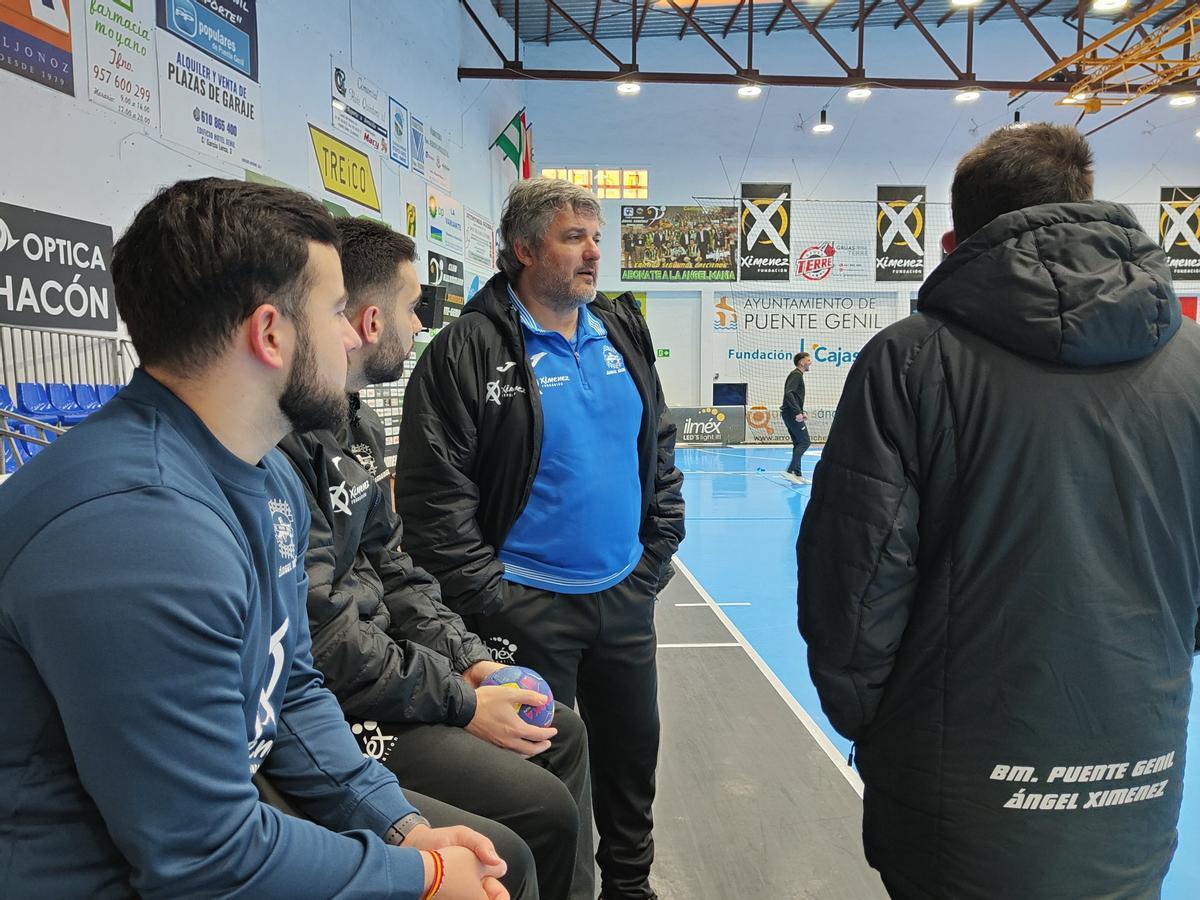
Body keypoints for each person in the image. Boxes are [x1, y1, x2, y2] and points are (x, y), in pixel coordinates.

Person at [0, 178, 507, 900]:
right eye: (334, 311)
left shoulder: (265, 475)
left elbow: (289, 687)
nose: (351, 333)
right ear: (270, 335)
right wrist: (420, 876)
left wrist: (400, 826)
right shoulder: (140, 530)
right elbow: (206, 859)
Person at [797, 124, 1200, 899]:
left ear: (953, 240)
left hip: (957, 784)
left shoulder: (910, 359)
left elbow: (854, 587)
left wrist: (881, 729)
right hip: (1139, 770)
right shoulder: (1190, 362)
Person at [277, 217, 594, 900]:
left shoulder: (356, 426)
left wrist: (472, 660)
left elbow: (395, 569)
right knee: (534, 817)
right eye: (412, 306)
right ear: (365, 320)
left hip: (387, 676)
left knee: (560, 730)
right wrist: (461, 698)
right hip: (350, 704)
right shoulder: (276, 454)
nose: (420, 322)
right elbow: (323, 641)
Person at [395, 177, 686, 900]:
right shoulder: (466, 351)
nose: (593, 253)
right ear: (524, 250)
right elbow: (436, 502)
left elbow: (659, 447)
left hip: (623, 595)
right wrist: (494, 599)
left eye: (596, 238)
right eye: (573, 238)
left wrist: (654, 555)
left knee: (630, 759)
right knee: (542, 784)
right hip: (523, 608)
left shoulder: (620, 330)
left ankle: (629, 887)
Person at [781, 351, 812, 482]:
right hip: (791, 413)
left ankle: (797, 474)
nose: (810, 362)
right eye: (808, 360)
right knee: (805, 442)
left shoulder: (798, 375)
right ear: (801, 362)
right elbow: (789, 393)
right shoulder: (796, 375)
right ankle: (789, 471)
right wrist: (797, 412)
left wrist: (801, 410)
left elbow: (794, 396)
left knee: (798, 443)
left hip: (790, 413)